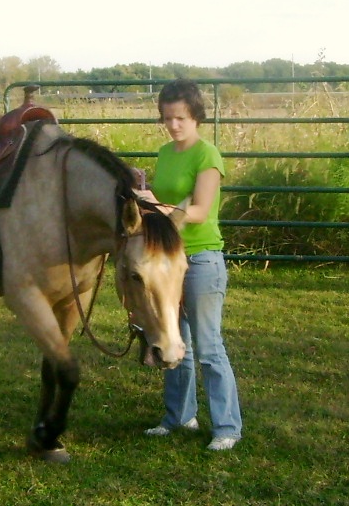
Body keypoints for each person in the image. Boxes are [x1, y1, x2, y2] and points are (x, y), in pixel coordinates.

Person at [135, 78, 243, 452]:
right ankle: (179, 417)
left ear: (195, 116)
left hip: (201, 257)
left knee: (210, 346)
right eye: (167, 118)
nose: (173, 125)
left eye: (180, 117)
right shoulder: (166, 153)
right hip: (169, 258)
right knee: (174, 339)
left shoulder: (207, 155)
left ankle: (227, 426)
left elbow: (198, 211)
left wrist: (156, 206)